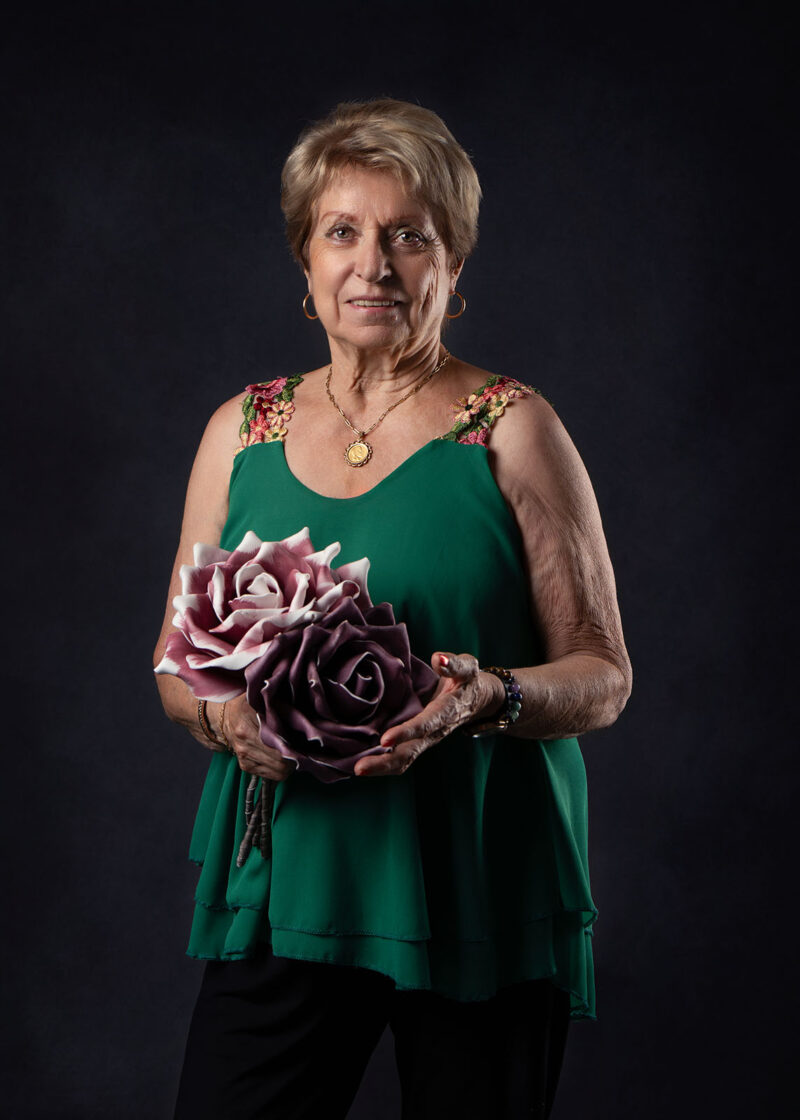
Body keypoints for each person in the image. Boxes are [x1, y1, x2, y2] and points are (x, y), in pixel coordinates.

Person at [153, 98, 632, 1120]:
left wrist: (482, 696)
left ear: (450, 267)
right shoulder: (240, 432)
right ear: (306, 262)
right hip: (293, 882)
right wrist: (221, 716)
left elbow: (600, 674)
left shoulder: (512, 429)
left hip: (476, 874)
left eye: (406, 236)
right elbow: (174, 668)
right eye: (343, 232)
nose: (372, 264)